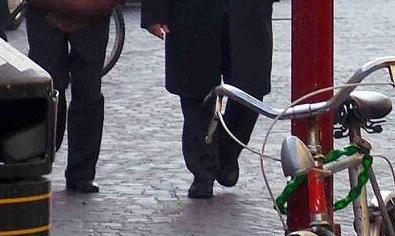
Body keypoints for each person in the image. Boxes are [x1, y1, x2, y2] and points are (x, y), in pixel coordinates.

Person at [141, 0, 274, 199]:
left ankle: (228, 151)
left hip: (248, 9)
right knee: (195, 90)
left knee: (251, 88)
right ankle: (202, 170)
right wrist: (153, 12)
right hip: (192, 10)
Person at [25, 0, 119, 193]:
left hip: (92, 14)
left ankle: (81, 172)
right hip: (46, 11)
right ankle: (38, 159)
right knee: (48, 90)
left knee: (88, 92)